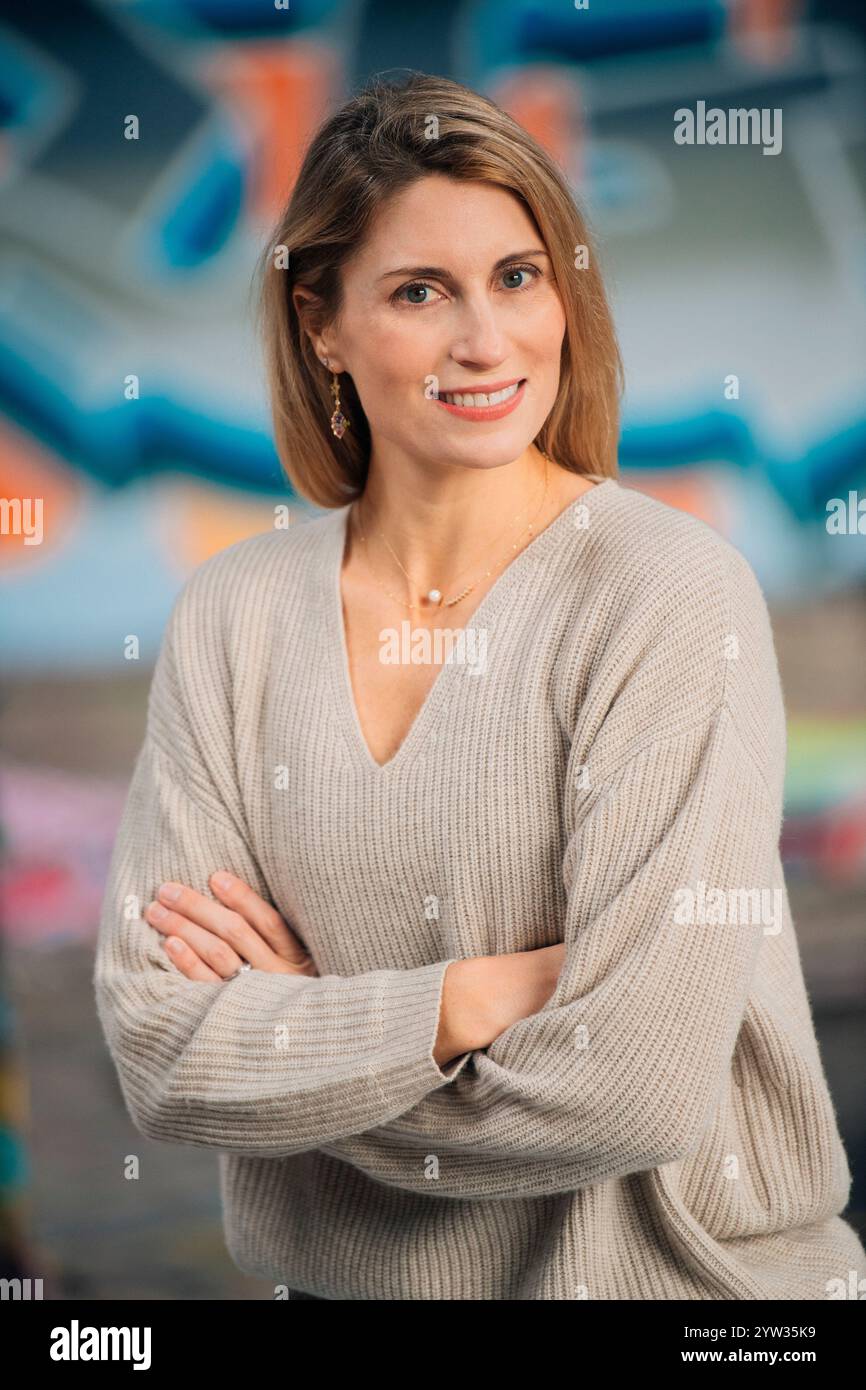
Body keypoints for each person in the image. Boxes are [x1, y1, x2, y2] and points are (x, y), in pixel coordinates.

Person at [94, 71, 865, 1301]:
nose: (485, 339)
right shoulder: (230, 617)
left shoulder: (667, 594)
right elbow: (162, 1049)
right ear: (321, 324)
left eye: (517, 277)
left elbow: (628, 1088)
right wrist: (477, 998)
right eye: (418, 291)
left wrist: (311, 1039)